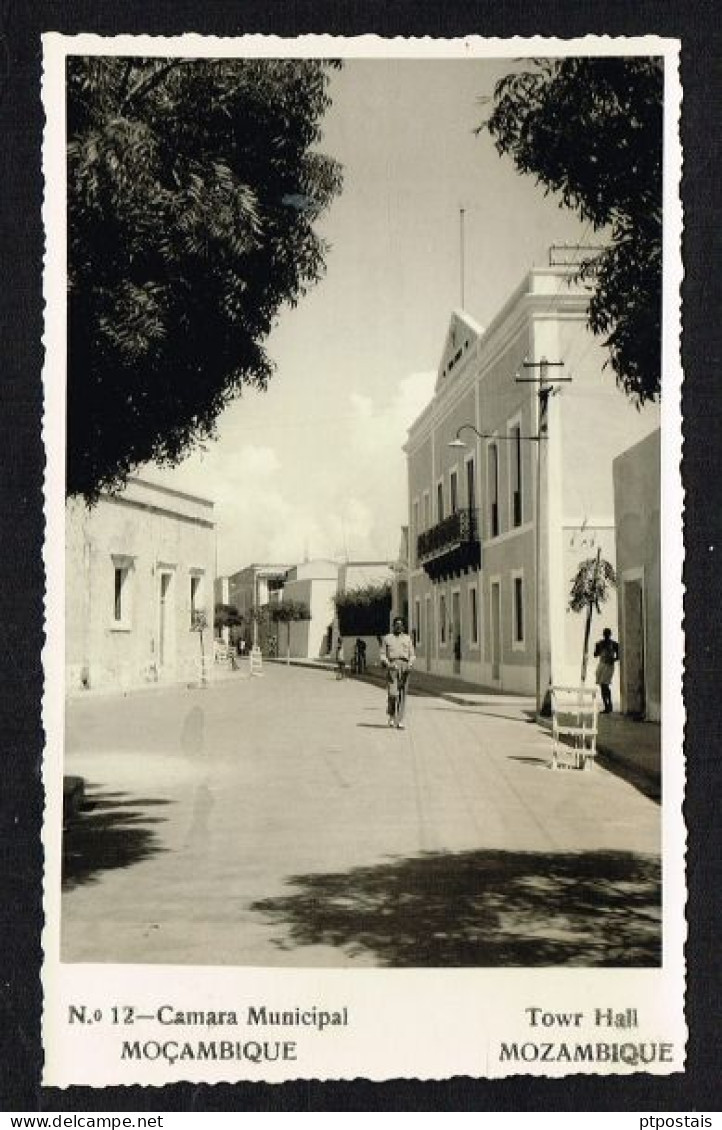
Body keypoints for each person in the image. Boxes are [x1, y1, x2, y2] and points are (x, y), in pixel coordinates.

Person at [379, 617, 415, 729]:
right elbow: (382, 654)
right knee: (392, 693)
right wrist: (388, 663)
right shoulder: (387, 638)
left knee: (402, 694)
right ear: (393, 626)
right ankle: (391, 716)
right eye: (397, 624)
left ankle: (399, 720)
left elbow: (412, 654)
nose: (399, 626)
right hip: (392, 667)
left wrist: (410, 664)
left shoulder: (408, 639)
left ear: (403, 626)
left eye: (401, 624)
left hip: (405, 667)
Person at [593, 627, 620, 713]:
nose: (606, 635)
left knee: (605, 685)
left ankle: (609, 704)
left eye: (607, 634)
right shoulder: (600, 643)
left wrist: (613, 659)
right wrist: (597, 648)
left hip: (609, 666)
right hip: (601, 665)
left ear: (610, 634)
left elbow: (619, 656)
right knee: (602, 685)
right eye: (605, 634)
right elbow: (595, 655)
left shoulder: (615, 644)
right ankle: (606, 705)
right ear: (603, 634)